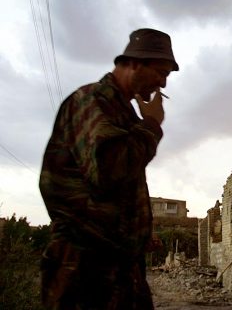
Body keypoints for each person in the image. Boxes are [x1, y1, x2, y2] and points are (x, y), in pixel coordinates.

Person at [39, 28, 179, 309]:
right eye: (159, 72)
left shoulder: (122, 111)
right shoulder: (92, 101)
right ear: (135, 63)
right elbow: (108, 171)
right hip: (85, 269)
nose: (162, 83)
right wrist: (151, 125)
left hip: (118, 266)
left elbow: (120, 188)